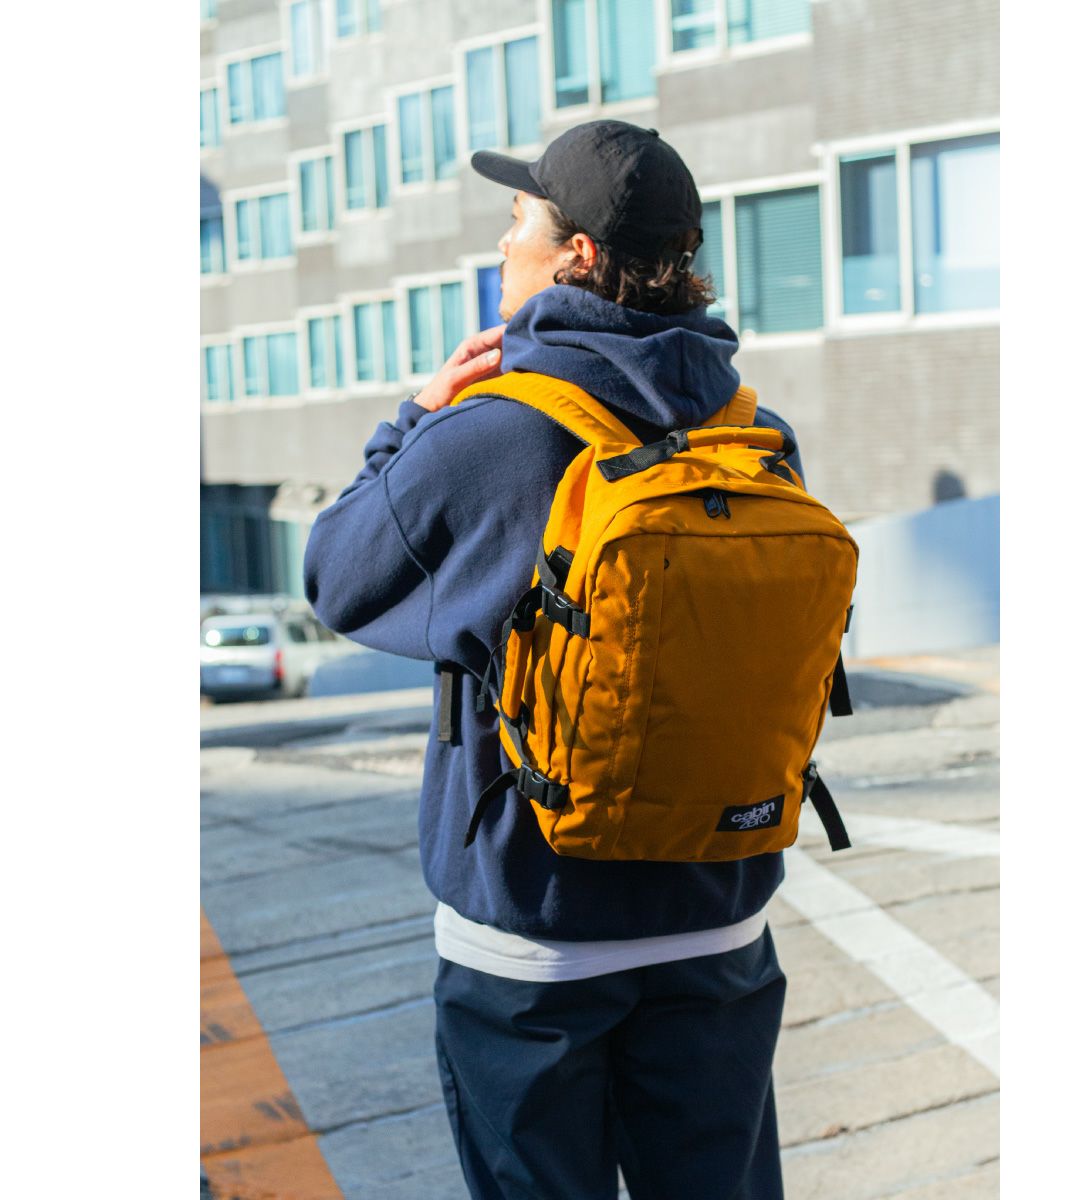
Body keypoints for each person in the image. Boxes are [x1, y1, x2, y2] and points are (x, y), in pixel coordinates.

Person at [303, 120, 806, 1200]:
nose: (502, 242)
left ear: (575, 254)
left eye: (519, 220)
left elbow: (337, 575)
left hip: (536, 941)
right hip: (720, 916)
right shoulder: (754, 432)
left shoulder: (492, 434)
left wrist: (412, 423)